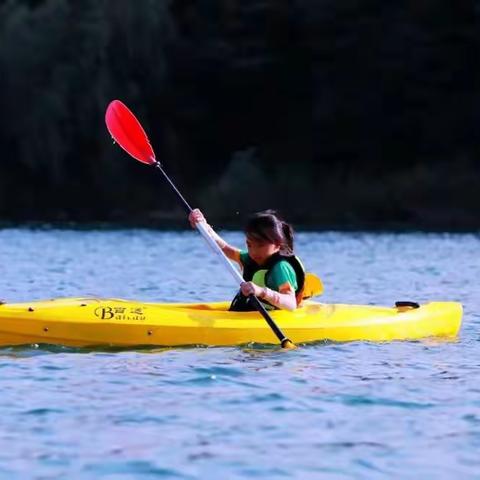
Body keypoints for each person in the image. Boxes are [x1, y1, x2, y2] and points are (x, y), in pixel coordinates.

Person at [189, 209, 305, 311]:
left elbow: (291, 304)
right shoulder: (249, 258)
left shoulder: (280, 268)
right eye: (249, 245)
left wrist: (261, 292)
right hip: (253, 312)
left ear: (277, 245)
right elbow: (224, 248)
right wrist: (204, 227)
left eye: (260, 245)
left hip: (277, 317)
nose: (253, 251)